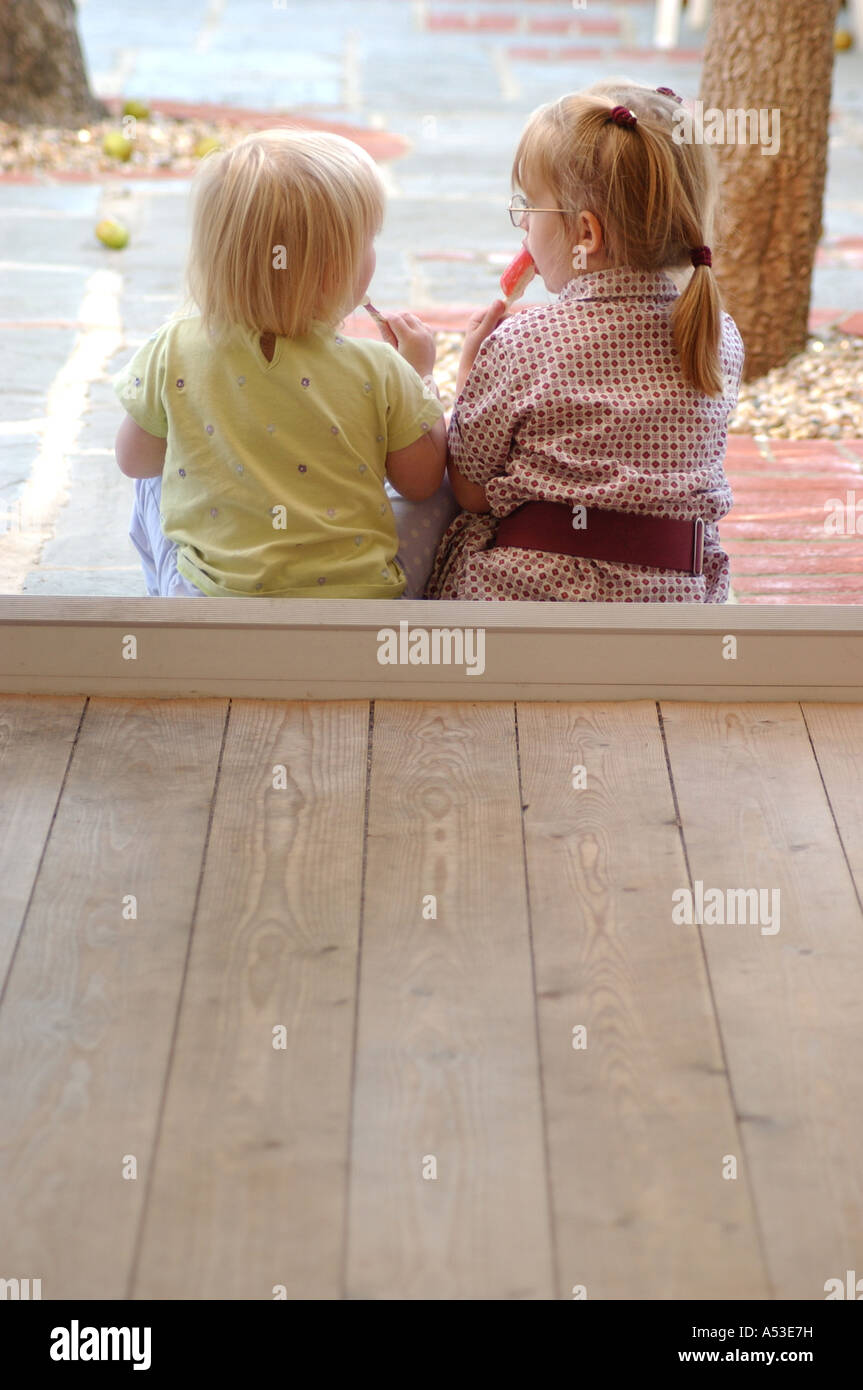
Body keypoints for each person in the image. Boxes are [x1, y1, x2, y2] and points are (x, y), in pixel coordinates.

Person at [424, 80, 745, 602]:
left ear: (586, 235)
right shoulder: (715, 336)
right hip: (667, 612)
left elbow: (470, 490)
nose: (524, 224)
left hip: (526, 608)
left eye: (531, 208)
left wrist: (467, 373)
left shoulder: (522, 341)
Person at [113, 128, 455, 599]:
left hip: (212, 609)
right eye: (368, 241)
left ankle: (168, 615)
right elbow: (420, 483)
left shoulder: (172, 348)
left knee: (152, 481)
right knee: (444, 487)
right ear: (335, 271)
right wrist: (420, 379)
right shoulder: (380, 368)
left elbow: (133, 461)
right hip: (359, 610)